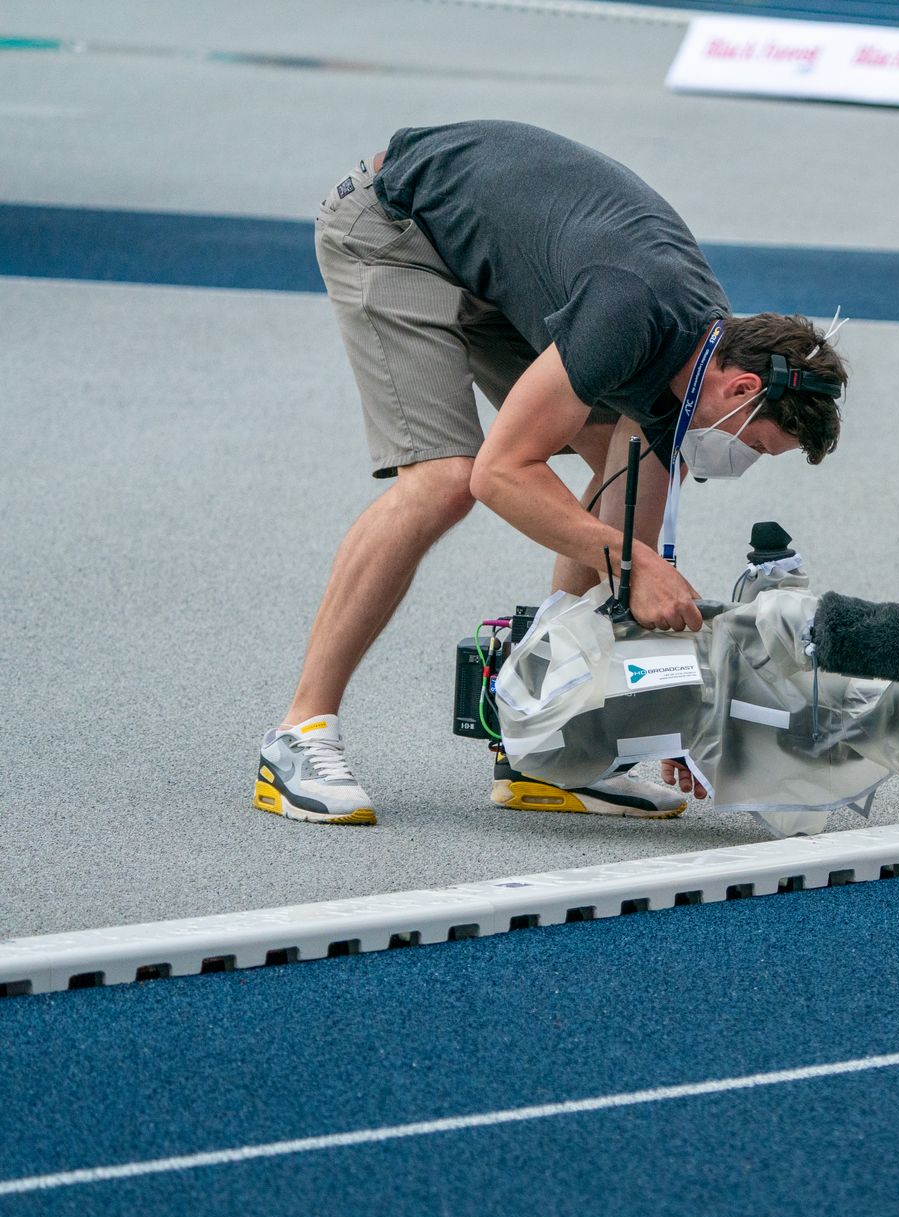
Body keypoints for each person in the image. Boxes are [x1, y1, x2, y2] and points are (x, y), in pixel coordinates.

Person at [254, 120, 848, 826]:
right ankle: (299, 734)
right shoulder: (633, 311)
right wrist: (633, 562)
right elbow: (501, 476)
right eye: (759, 445)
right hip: (398, 227)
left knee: (620, 487)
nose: (743, 461)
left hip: (492, 262)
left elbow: (631, 550)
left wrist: (661, 711)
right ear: (743, 389)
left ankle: (542, 738)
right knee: (446, 478)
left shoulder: (692, 366)